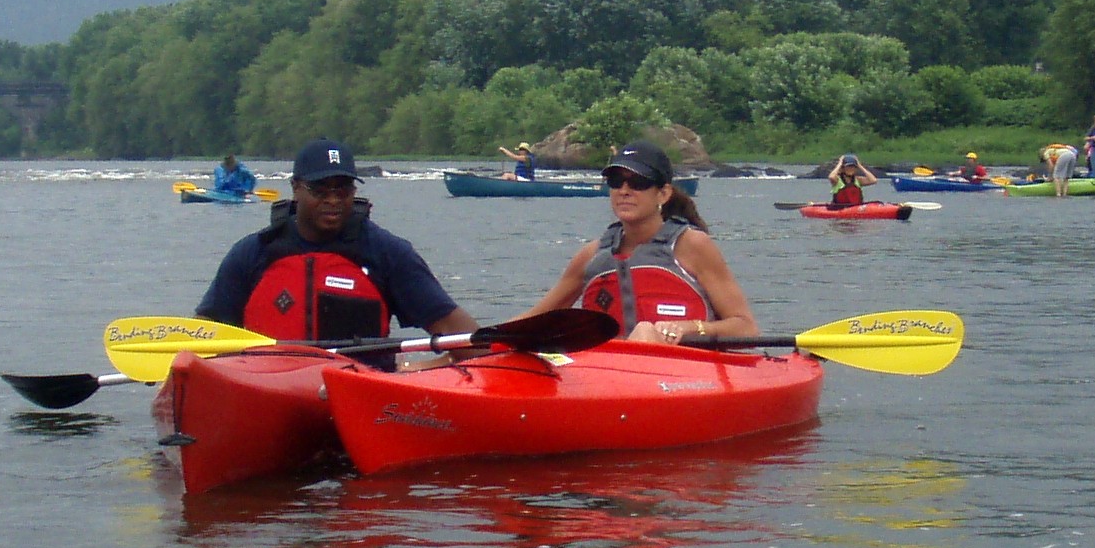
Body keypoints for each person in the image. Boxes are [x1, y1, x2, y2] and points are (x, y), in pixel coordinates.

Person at [197, 139, 481, 351]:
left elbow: (453, 328)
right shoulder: (253, 253)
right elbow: (204, 332)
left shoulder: (388, 253)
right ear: (296, 188)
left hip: (357, 393)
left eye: (343, 190)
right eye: (320, 190)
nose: (333, 200)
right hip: (266, 385)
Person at [524, 141, 759, 345]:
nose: (624, 191)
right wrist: (489, 337)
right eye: (616, 181)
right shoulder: (592, 255)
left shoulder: (692, 245)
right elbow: (533, 321)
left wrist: (690, 327)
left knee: (645, 331)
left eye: (637, 182)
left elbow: (745, 328)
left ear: (663, 194)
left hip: (687, 376)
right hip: (610, 377)